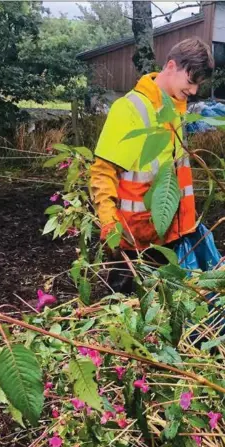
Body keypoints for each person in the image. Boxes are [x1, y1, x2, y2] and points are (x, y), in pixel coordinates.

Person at [90, 37, 214, 293]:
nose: (193, 91)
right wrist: (109, 225)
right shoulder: (130, 109)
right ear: (171, 66)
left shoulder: (176, 111)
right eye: (191, 82)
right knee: (127, 311)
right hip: (134, 240)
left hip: (172, 236)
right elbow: (103, 172)